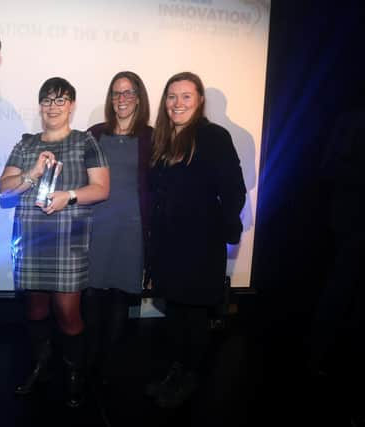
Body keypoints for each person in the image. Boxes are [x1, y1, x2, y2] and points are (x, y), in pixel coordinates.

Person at [0, 77, 109, 407]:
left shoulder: (85, 141)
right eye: (47, 100)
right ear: (40, 105)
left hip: (67, 240)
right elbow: (5, 188)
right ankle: (41, 367)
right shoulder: (26, 143)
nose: (53, 107)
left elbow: (101, 189)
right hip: (31, 238)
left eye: (60, 100)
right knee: (35, 308)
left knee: (67, 312)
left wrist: (69, 196)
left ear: (72, 105)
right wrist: (32, 172)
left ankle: (74, 373)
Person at [145, 72, 245, 409]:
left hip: (200, 245)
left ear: (200, 100)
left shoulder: (213, 136)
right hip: (167, 244)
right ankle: (177, 370)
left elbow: (234, 190)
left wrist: (226, 228)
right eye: (172, 96)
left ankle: (191, 377)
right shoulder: (162, 138)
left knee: (194, 316)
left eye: (186, 96)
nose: (178, 103)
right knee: (175, 311)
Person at [309, 71, 365, 425]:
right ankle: (318, 359)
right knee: (342, 292)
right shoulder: (355, 119)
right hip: (357, 221)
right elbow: (329, 167)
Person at [84, 71, 153, 385]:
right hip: (96, 224)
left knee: (120, 298)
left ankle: (109, 365)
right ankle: (90, 359)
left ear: (139, 98)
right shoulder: (95, 133)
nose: (122, 99)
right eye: (116, 93)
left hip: (133, 228)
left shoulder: (153, 137)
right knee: (93, 294)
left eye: (128, 93)